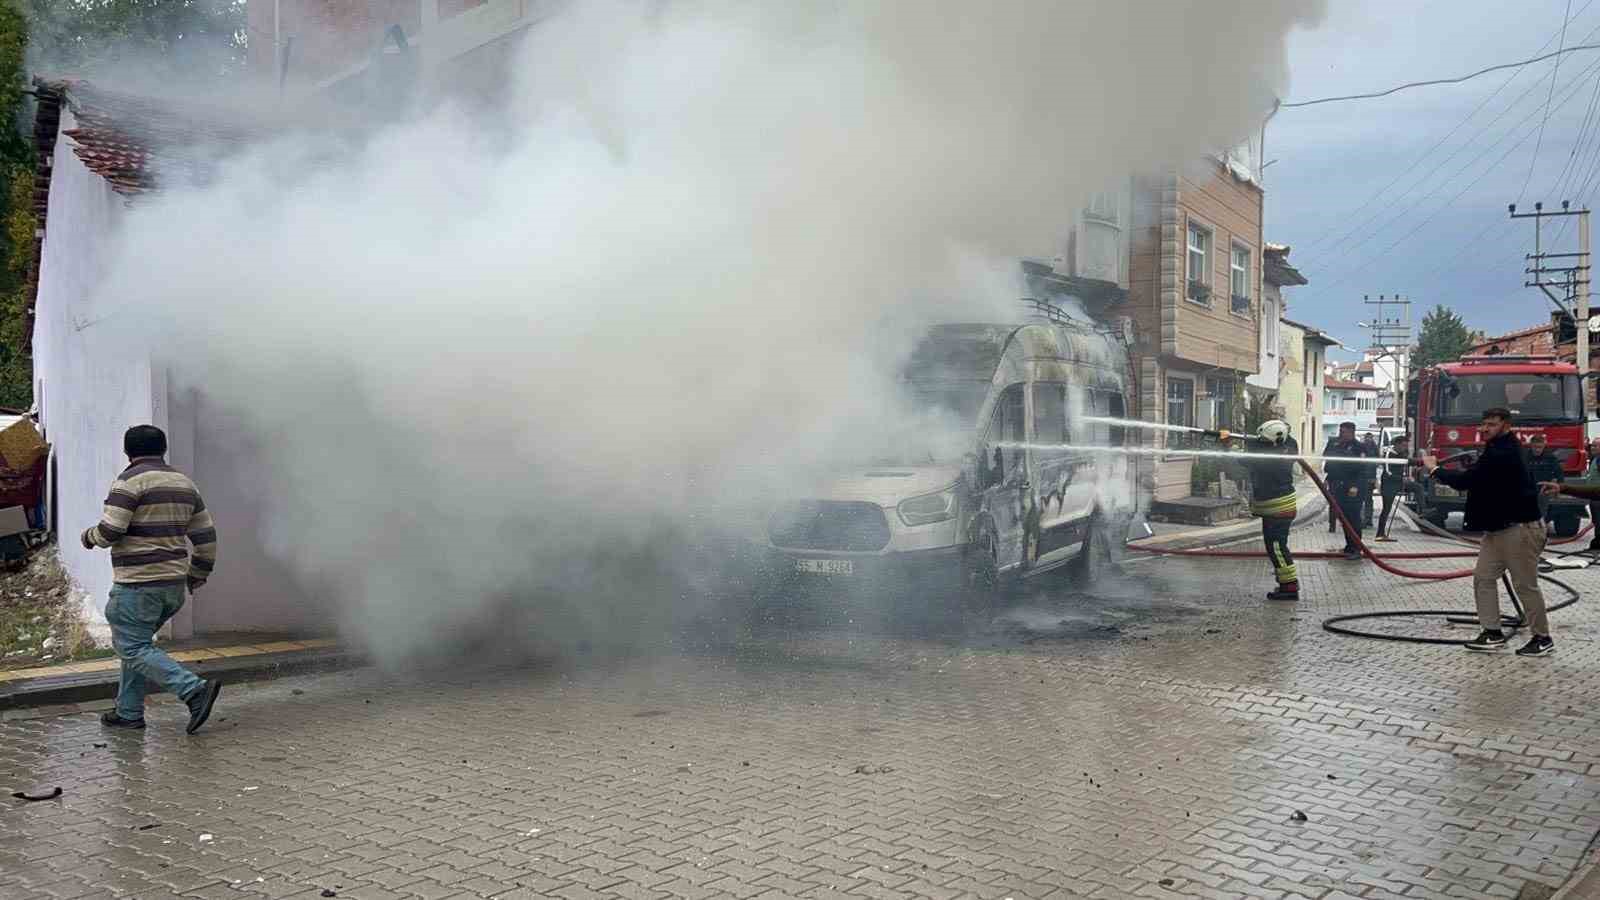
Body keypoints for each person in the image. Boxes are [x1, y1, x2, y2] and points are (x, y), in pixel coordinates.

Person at [83, 425, 223, 732]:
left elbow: (111, 531)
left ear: (128, 452)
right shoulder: (184, 484)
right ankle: (128, 712)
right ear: (163, 449)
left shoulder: (129, 481)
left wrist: (89, 537)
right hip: (173, 585)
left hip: (138, 584)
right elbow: (206, 536)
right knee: (137, 646)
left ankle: (193, 690)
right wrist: (198, 573)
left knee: (132, 648)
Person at [1422, 407, 1553, 657]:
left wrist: (1434, 469)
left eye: (1491, 424)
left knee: (1525, 585)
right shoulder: (1496, 449)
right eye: (1483, 424)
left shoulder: (1505, 451)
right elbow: (1484, 478)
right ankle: (1492, 632)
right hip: (1497, 530)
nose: (1485, 429)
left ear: (1506, 426)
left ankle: (1542, 638)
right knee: (1483, 577)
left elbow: (1469, 481)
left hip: (1520, 529)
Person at [1224, 419, 1302, 601]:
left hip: (1278, 507)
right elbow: (1261, 443)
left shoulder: (1268, 460)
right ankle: (1286, 583)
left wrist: (1229, 444)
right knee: (1274, 546)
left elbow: (1244, 458)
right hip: (1278, 506)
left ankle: (1289, 586)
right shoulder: (1289, 443)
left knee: (1276, 547)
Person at [1324, 422, 1372, 560]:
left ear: (1351, 432)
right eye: (1340, 431)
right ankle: (1349, 546)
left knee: (1353, 518)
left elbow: (1362, 469)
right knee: (1343, 518)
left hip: (1353, 487)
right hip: (1338, 484)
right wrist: (1328, 478)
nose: (1341, 434)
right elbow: (1331, 462)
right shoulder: (1336, 445)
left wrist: (1355, 486)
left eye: (1344, 432)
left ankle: (1356, 548)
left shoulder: (1359, 447)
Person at [1375, 434, 1410, 542]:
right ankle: (1380, 534)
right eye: (1403, 445)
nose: (1405, 448)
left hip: (1399, 483)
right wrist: (1401, 478)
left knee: (1417, 487)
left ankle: (1423, 511)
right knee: (1386, 509)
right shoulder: (1388, 455)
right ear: (1397, 445)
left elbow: (1406, 464)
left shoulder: (1403, 453)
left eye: (1406, 446)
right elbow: (1387, 472)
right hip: (1388, 485)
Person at [1524, 434, 1564, 522]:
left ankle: (1540, 534)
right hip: (1527, 491)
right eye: (1535, 447)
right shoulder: (1524, 456)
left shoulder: (1550, 457)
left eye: (1540, 447)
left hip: (1543, 491)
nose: (1538, 450)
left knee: (1541, 517)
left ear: (1544, 446)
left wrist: (1556, 485)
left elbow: (1559, 474)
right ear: (1531, 445)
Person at [1360, 433, 1380, 528]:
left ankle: (1366, 519)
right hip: (1367, 477)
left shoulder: (1369, 448)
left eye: (1370, 438)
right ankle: (1367, 519)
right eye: (1367, 438)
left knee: (1365, 499)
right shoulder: (1373, 449)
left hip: (1368, 477)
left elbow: (1376, 464)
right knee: (1367, 499)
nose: (1368, 440)